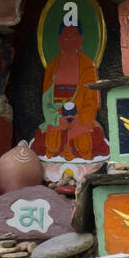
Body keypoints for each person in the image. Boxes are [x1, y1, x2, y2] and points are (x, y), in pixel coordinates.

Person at [32, 12, 108, 162]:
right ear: (60, 41)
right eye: (66, 38)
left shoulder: (88, 66)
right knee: (42, 135)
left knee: (94, 134)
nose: (70, 41)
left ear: (80, 40)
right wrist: (57, 119)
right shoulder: (52, 67)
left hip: (81, 120)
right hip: (57, 121)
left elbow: (93, 103)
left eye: (74, 38)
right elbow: (46, 103)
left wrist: (78, 119)